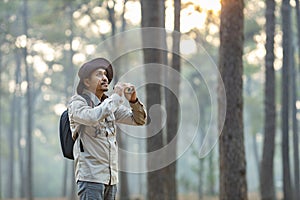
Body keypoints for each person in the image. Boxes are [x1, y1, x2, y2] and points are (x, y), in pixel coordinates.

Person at [68, 57, 147, 200]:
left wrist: (133, 101)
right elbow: (92, 117)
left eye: (105, 74)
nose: (104, 78)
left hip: (111, 179)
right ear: (86, 81)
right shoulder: (77, 103)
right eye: (99, 74)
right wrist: (116, 96)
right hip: (90, 179)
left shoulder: (109, 105)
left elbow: (139, 120)